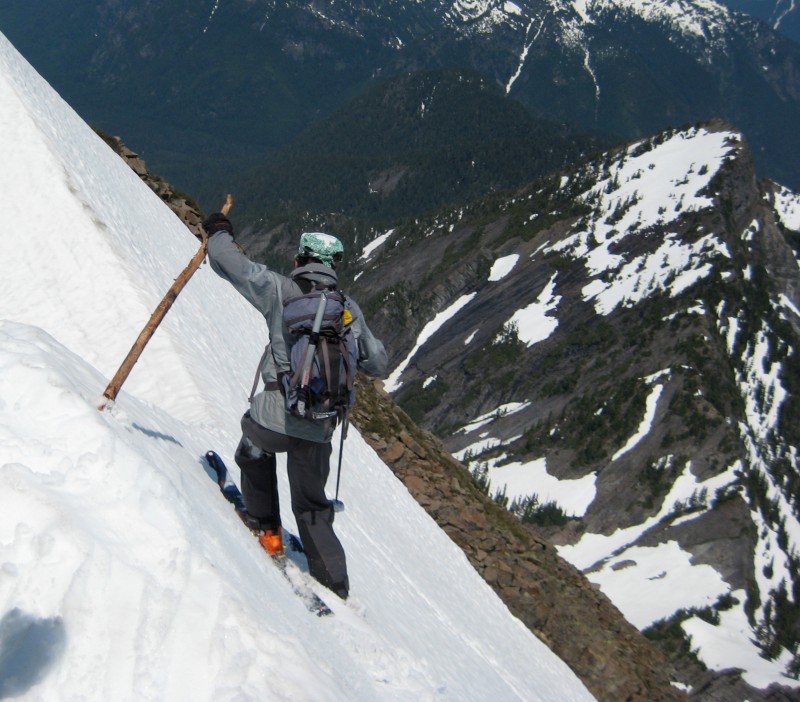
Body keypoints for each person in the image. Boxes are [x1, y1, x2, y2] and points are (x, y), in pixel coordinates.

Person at [203, 213, 388, 599]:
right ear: (334, 267)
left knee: (253, 450)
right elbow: (378, 363)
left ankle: (266, 529)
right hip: (321, 426)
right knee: (313, 505)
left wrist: (220, 230)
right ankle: (335, 582)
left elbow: (224, 261)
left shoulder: (279, 289)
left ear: (299, 259)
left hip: (276, 416)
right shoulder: (347, 308)